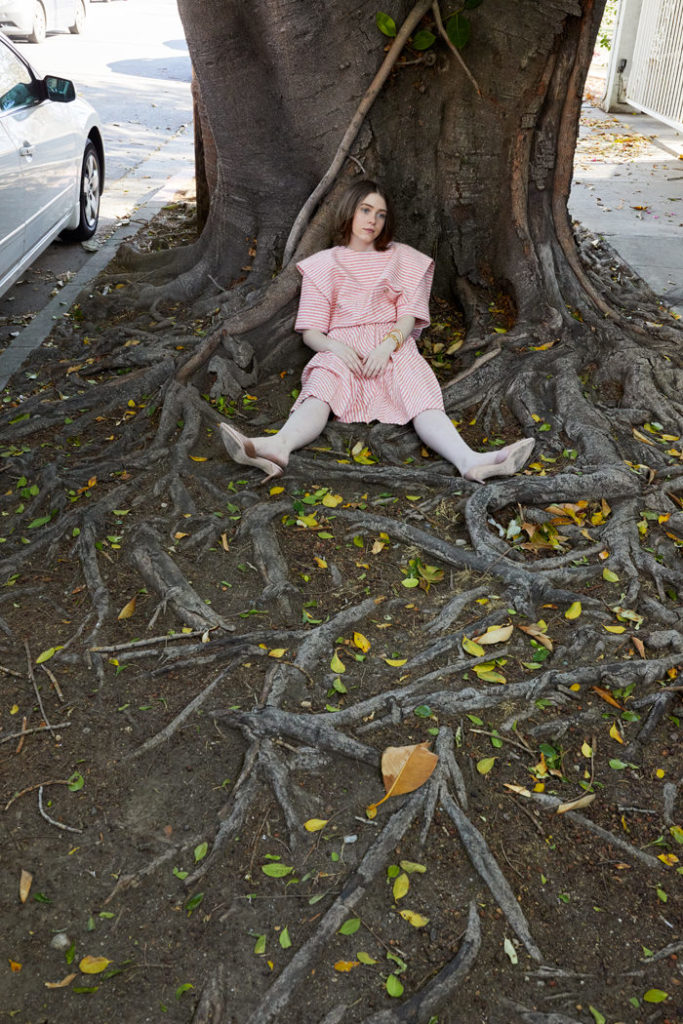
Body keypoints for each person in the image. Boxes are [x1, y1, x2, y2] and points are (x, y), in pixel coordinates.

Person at [219, 179, 534, 484]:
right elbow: (311, 332)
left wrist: (387, 347)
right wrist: (337, 349)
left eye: (380, 214)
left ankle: (470, 461)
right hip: (340, 346)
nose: (373, 220)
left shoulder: (403, 259)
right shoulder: (323, 265)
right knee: (320, 389)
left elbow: (408, 316)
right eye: (366, 210)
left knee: (420, 397)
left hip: (392, 345)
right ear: (349, 211)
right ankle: (279, 445)